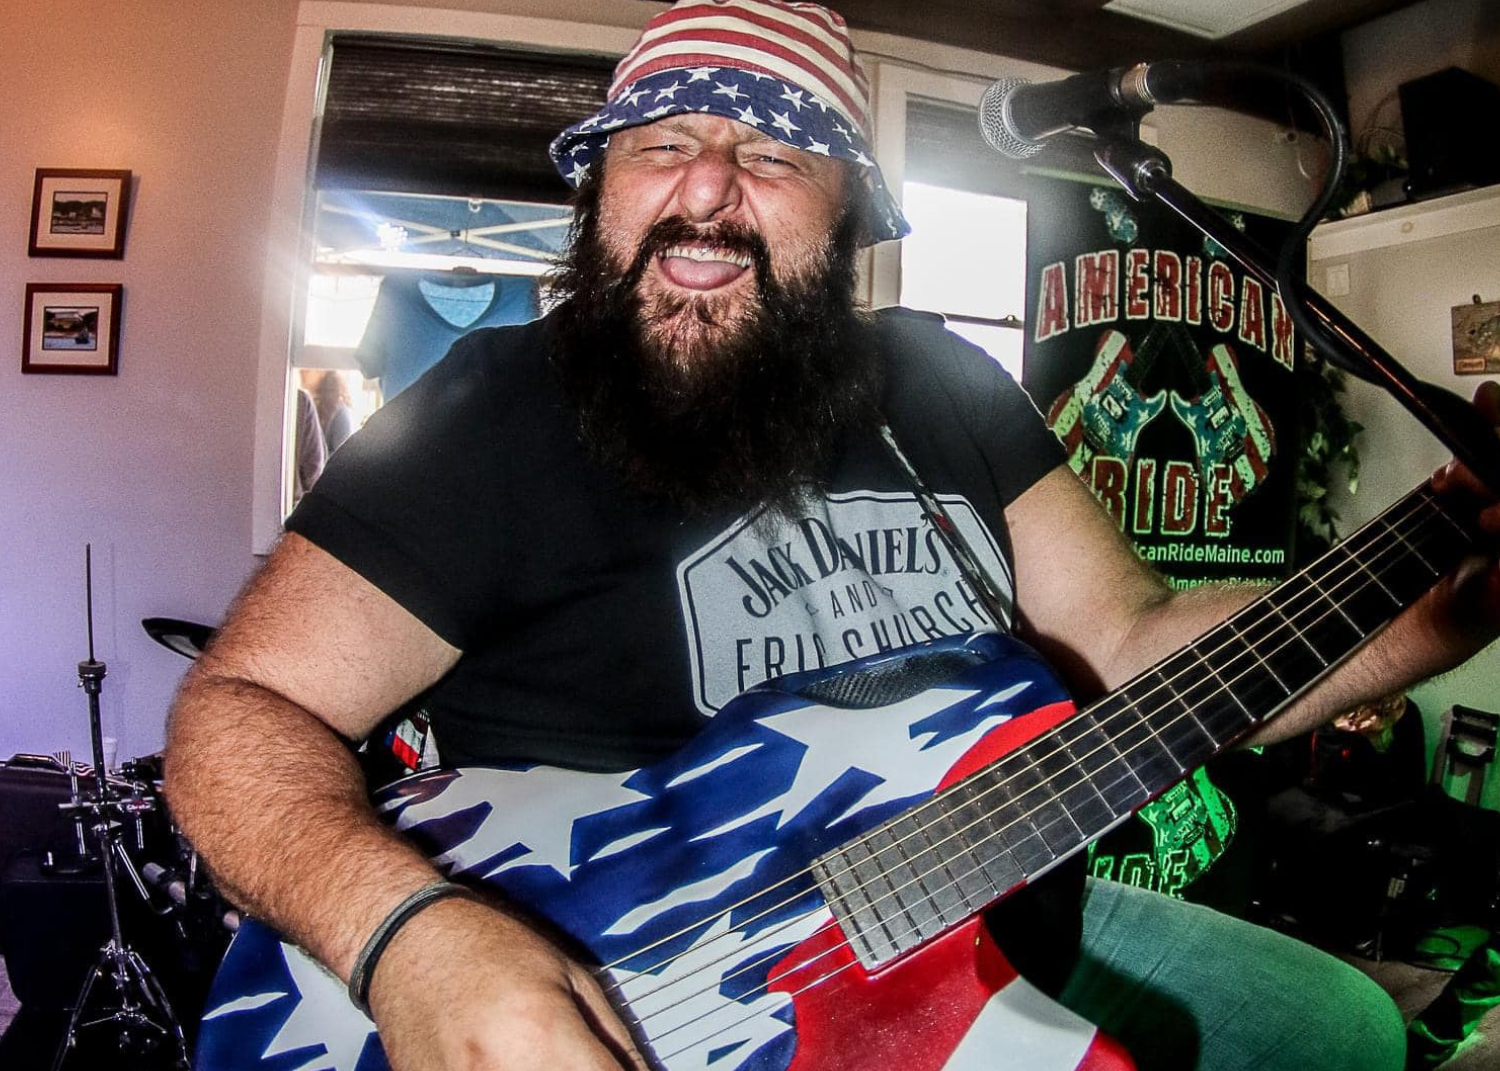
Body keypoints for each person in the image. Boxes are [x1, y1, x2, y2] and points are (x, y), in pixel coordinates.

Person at [165, 3, 1500, 1069]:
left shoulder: (945, 386)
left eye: (770, 156)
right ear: (599, 191)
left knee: (1338, 1025)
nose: (705, 190)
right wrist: (407, 936)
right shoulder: (493, 407)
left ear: (848, 215)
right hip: (576, 960)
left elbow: (1140, 646)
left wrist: (1448, 591)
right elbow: (239, 708)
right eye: (658, 145)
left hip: (978, 901)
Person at [313, 369, 359, 455]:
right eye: (326, 390)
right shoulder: (317, 410)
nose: (328, 395)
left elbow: (340, 453)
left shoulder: (342, 414)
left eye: (331, 390)